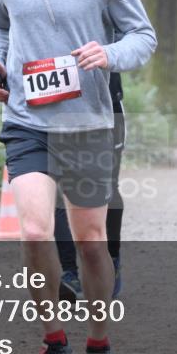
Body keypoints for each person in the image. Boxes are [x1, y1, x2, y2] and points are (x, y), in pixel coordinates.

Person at [0, 0, 156, 354]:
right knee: (35, 232)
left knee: (91, 243)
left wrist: (109, 54)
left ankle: (99, 348)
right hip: (27, 120)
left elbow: (142, 36)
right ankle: (54, 343)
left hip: (86, 123)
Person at [55, 73, 125, 302]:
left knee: (108, 186)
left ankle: (110, 259)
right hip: (53, 106)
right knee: (57, 190)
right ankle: (69, 273)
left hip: (104, 106)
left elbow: (133, 50)